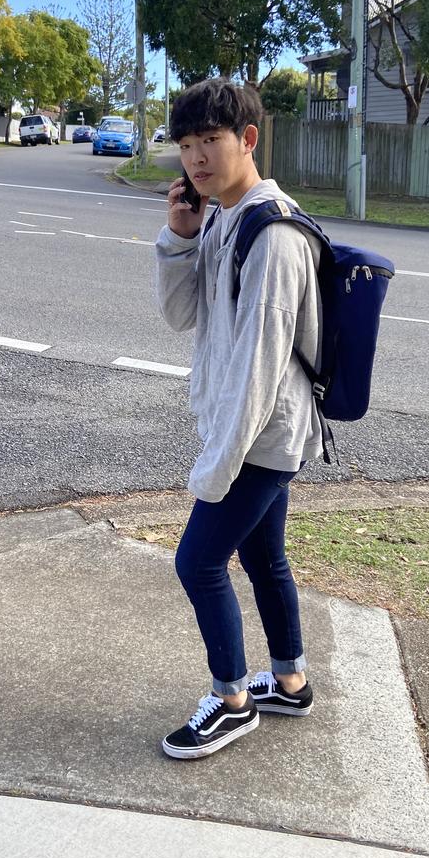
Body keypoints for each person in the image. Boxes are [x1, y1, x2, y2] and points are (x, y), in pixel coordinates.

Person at [155, 77, 322, 760]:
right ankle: (289, 680)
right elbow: (182, 315)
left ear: (247, 140)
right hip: (251, 430)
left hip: (262, 437)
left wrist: (215, 471)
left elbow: (258, 365)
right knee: (262, 555)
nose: (196, 157)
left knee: (197, 562)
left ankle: (231, 700)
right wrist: (178, 236)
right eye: (187, 143)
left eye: (211, 141)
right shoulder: (222, 214)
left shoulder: (272, 232)